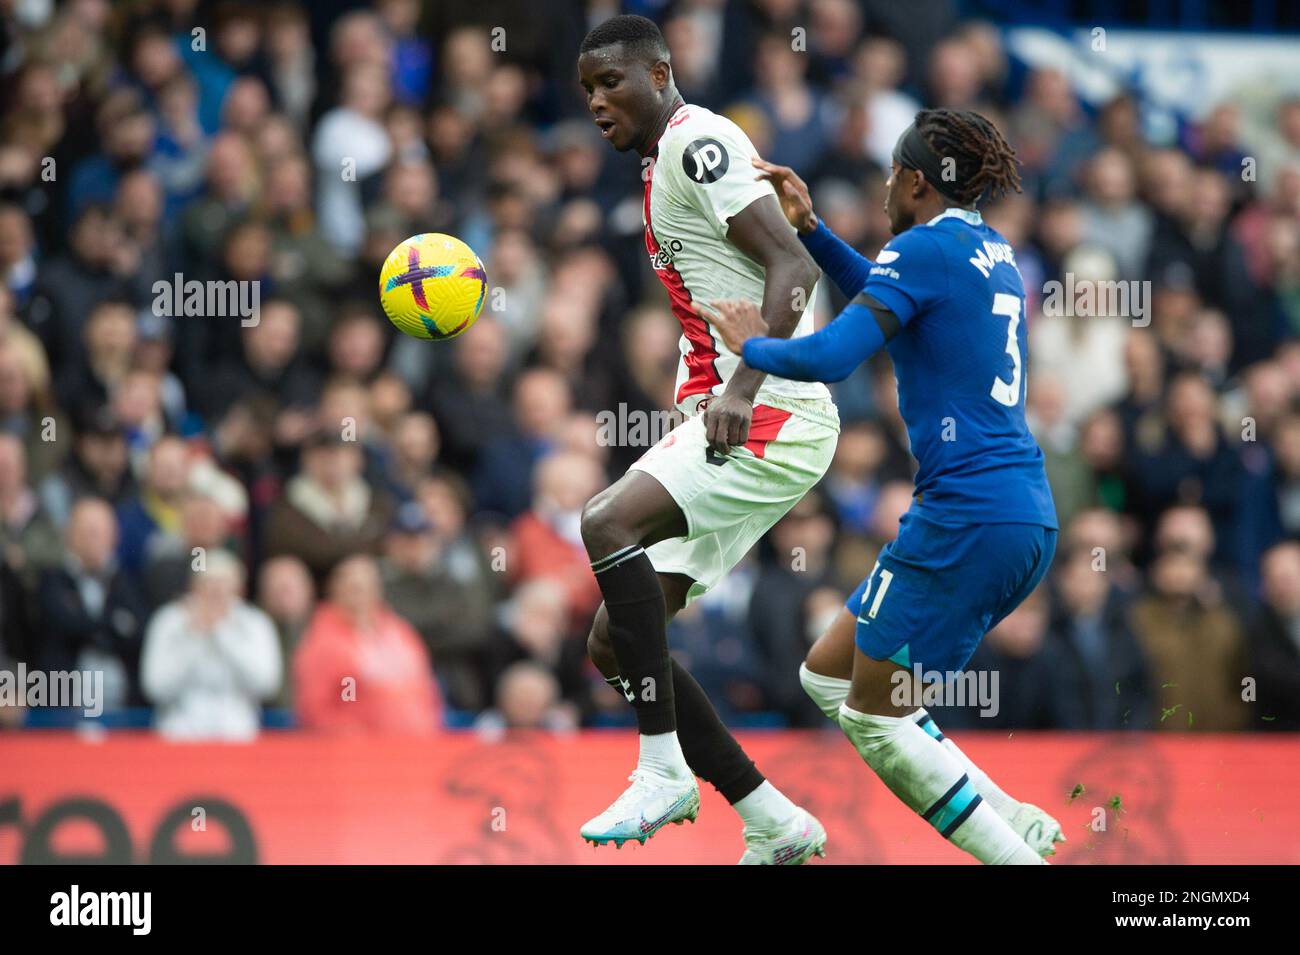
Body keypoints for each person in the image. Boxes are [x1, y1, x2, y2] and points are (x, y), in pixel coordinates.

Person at [699, 108, 1064, 863]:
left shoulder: (919, 249)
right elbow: (891, 303)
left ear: (915, 182)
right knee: (827, 672)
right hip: (1016, 512)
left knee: (876, 718)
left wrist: (752, 345)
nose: (886, 187)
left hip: (965, 515)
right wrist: (813, 231)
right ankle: (1012, 817)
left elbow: (837, 353)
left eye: (892, 175)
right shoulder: (987, 249)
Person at [574, 15, 841, 863]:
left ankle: (662, 769)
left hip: (770, 409)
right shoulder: (662, 162)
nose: (595, 104)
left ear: (660, 73)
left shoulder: (700, 142)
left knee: (604, 523)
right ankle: (769, 815)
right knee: (615, 642)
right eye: (585, 90)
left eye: (610, 84)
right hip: (734, 412)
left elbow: (794, 266)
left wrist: (742, 382)